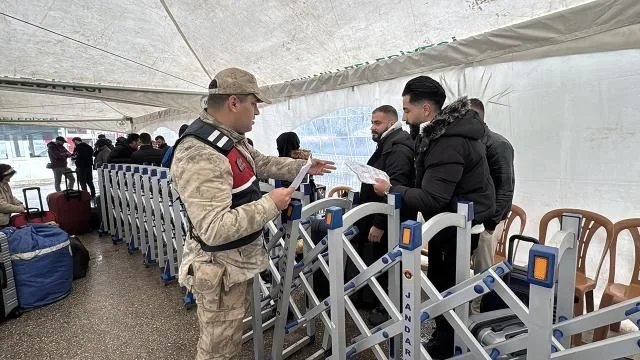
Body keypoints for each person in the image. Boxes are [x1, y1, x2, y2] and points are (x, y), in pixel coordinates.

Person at [169, 67, 335, 360]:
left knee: (228, 343)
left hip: (235, 263)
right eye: (253, 103)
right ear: (234, 102)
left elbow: (260, 162)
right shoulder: (200, 152)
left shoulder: (228, 139)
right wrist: (271, 203)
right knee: (218, 350)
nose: (257, 111)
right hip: (218, 268)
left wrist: (303, 167)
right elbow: (213, 228)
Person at [373, 76, 495, 358]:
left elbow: (433, 197)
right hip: (452, 224)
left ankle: (449, 344)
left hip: (455, 227)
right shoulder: (441, 135)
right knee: (444, 285)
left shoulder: (448, 142)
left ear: (426, 110)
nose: (403, 117)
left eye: (406, 110)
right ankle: (447, 338)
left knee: (447, 287)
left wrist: (392, 188)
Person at [353, 105, 416, 326]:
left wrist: (379, 223)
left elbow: (394, 186)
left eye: (377, 123)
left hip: (391, 219)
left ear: (390, 123)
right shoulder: (389, 143)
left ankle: (390, 306)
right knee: (385, 260)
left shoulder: (398, 147)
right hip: (385, 216)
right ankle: (381, 300)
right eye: (371, 122)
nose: (372, 127)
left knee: (391, 262)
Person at [468, 98, 515, 280]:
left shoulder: (498, 145)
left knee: (482, 271)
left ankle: (479, 308)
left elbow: (505, 189)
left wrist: (489, 226)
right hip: (472, 219)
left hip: (489, 221)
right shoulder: (470, 143)